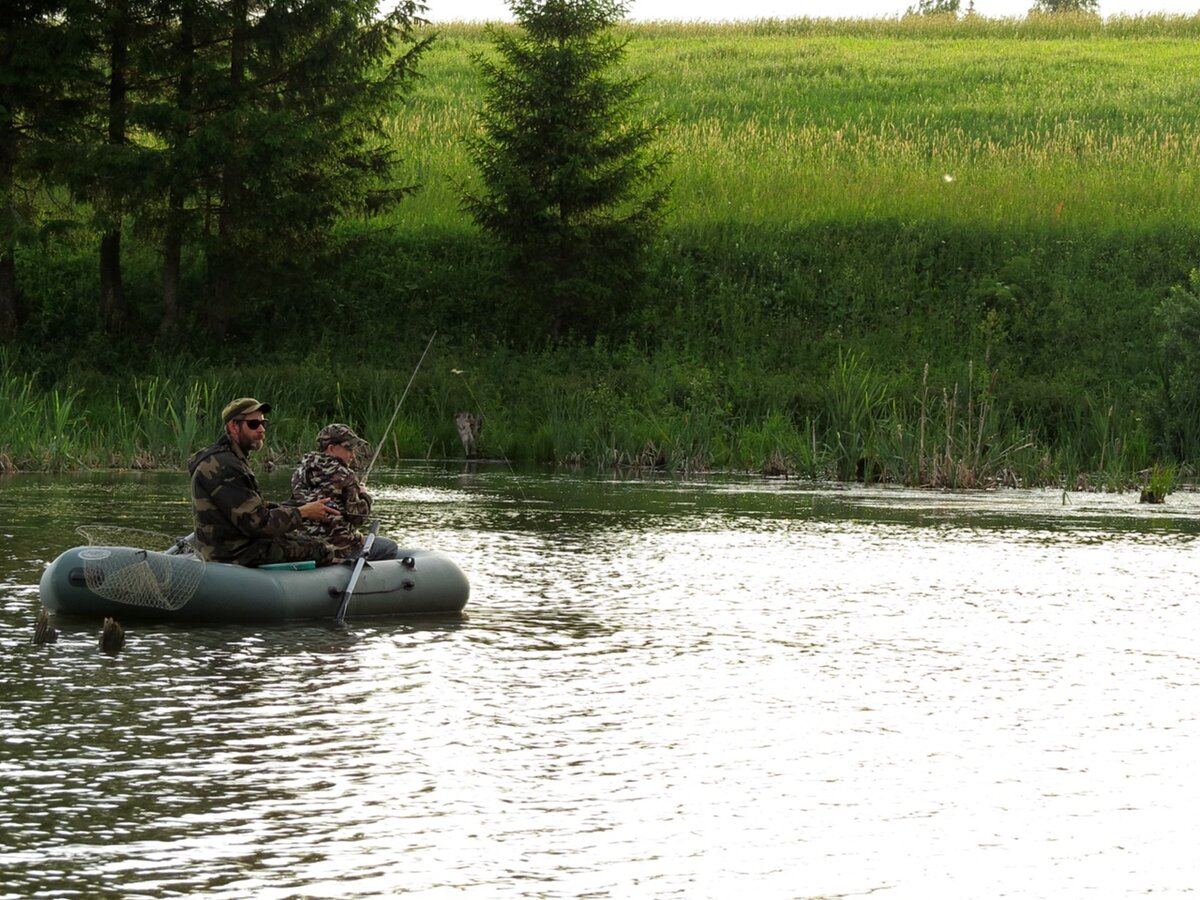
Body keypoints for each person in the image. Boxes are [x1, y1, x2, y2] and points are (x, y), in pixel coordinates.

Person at [188, 398, 338, 567]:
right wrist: (303, 513)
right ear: (233, 427)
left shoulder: (225, 458)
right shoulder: (225, 466)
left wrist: (298, 506)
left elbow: (251, 509)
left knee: (300, 539)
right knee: (322, 549)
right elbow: (257, 524)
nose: (261, 429)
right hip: (233, 553)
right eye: (253, 424)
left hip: (228, 546)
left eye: (263, 423)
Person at [291, 423, 399, 562]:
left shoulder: (299, 472)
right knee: (389, 547)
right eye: (348, 449)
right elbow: (358, 517)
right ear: (331, 448)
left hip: (307, 543)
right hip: (341, 547)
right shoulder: (345, 475)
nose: (352, 455)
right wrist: (364, 495)